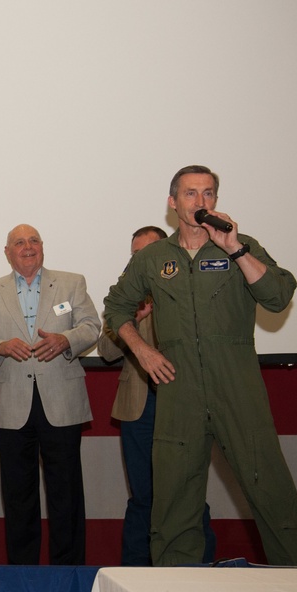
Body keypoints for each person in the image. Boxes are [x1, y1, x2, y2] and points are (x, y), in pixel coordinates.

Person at [103, 165, 297, 566]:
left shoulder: (241, 246)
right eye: (190, 194)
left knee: (270, 489)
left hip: (236, 384)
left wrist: (235, 249)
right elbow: (116, 307)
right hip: (179, 390)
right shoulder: (154, 257)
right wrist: (144, 353)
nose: (200, 202)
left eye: (208, 193)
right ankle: (174, 584)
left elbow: (278, 295)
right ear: (173, 203)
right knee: (174, 500)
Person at [0, 224, 100, 565]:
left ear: (43, 247)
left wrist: (65, 339)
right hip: (11, 403)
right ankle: (23, 572)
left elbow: (91, 326)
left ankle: (68, 571)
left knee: (66, 493)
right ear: (8, 252)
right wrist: (0, 345)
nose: (28, 247)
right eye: (20, 243)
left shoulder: (72, 282)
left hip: (61, 400)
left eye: (34, 241)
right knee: (17, 494)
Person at [98, 225, 216, 566]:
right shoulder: (124, 294)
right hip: (139, 408)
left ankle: (202, 567)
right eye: (135, 255)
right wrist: (131, 318)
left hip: (185, 403)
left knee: (189, 492)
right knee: (143, 497)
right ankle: (135, 574)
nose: (142, 259)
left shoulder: (188, 288)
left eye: (148, 252)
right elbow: (105, 351)